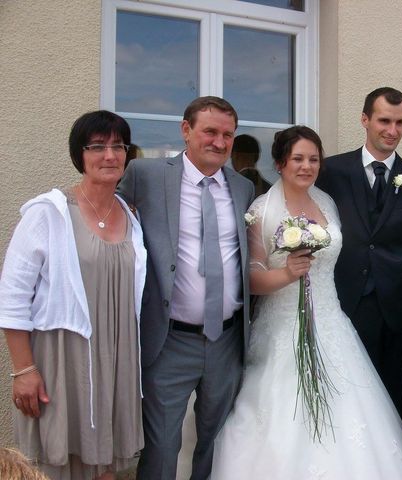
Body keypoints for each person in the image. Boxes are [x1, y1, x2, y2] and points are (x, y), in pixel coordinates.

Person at [211, 126, 402, 479]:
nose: (306, 166)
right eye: (297, 159)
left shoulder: (326, 202)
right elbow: (249, 276)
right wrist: (287, 274)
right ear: (280, 163)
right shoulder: (262, 210)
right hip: (282, 327)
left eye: (313, 159)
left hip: (331, 321)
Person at [0, 111, 147, 479]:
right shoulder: (48, 213)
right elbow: (13, 295)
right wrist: (24, 370)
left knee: (105, 465)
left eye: (118, 146)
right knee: (56, 462)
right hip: (63, 357)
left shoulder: (131, 216)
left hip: (117, 355)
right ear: (79, 155)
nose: (110, 156)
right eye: (97, 147)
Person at [117, 96, 254, 480]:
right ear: (186, 130)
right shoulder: (145, 175)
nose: (219, 141)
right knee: (162, 445)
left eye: (228, 134)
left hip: (227, 340)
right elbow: (108, 222)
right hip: (170, 339)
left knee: (216, 443)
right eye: (210, 131)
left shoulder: (243, 188)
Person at [316, 87, 402, 424]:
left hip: (399, 312)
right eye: (385, 120)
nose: (393, 130)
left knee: (395, 398)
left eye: (400, 122)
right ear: (365, 120)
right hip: (344, 305)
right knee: (347, 395)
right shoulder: (332, 172)